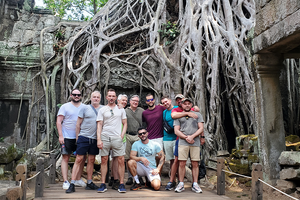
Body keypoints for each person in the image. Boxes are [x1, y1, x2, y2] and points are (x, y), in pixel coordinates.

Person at [66, 91, 103, 193]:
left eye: (97, 97)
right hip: (84, 137)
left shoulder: (103, 109)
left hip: (95, 138)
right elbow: (78, 124)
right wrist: (78, 138)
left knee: (91, 160)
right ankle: (72, 183)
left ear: (100, 98)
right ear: (91, 98)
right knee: (79, 159)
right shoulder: (84, 108)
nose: (96, 99)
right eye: (94, 97)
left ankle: (89, 182)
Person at [96, 89, 127, 193]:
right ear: (106, 97)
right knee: (104, 160)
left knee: (121, 160)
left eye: (113, 96)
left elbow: (125, 123)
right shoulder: (102, 109)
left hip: (117, 137)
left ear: (116, 97)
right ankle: (103, 183)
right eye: (109, 96)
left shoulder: (121, 109)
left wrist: (121, 135)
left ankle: (121, 183)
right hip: (105, 136)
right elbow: (99, 124)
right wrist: (99, 139)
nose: (111, 98)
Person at [173, 98, 205, 193]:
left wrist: (192, 137)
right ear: (181, 105)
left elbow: (201, 128)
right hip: (183, 142)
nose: (187, 105)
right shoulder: (179, 116)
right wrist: (186, 137)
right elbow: (176, 130)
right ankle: (181, 183)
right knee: (182, 163)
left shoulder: (198, 115)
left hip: (195, 142)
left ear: (191, 105)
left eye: (188, 104)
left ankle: (195, 183)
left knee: (195, 163)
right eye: (185, 104)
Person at [56, 89, 86, 190]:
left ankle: (77, 179)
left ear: (81, 96)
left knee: (81, 158)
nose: (76, 96)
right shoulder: (65, 107)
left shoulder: (84, 107)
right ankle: (65, 181)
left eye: (78, 95)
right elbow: (59, 121)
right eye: (74, 94)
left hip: (80, 136)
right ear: (71, 95)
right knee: (65, 157)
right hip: (67, 136)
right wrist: (61, 135)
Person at [109, 94, 128, 190]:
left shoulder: (122, 110)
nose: (124, 102)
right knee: (116, 159)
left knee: (117, 159)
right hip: (114, 137)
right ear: (118, 100)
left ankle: (113, 178)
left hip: (121, 138)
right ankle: (115, 179)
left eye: (126, 100)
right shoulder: (115, 109)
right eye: (123, 100)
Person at [124, 95, 144, 185]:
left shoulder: (142, 111)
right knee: (128, 157)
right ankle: (130, 177)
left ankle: (139, 176)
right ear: (130, 101)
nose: (135, 102)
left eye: (137, 101)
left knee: (138, 156)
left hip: (138, 136)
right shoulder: (125, 111)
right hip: (128, 135)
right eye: (133, 101)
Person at [160, 96, 177, 190]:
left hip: (176, 138)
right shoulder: (164, 112)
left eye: (166, 101)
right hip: (167, 138)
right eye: (163, 103)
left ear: (170, 100)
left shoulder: (176, 109)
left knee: (177, 160)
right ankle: (173, 180)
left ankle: (177, 180)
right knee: (171, 160)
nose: (165, 103)